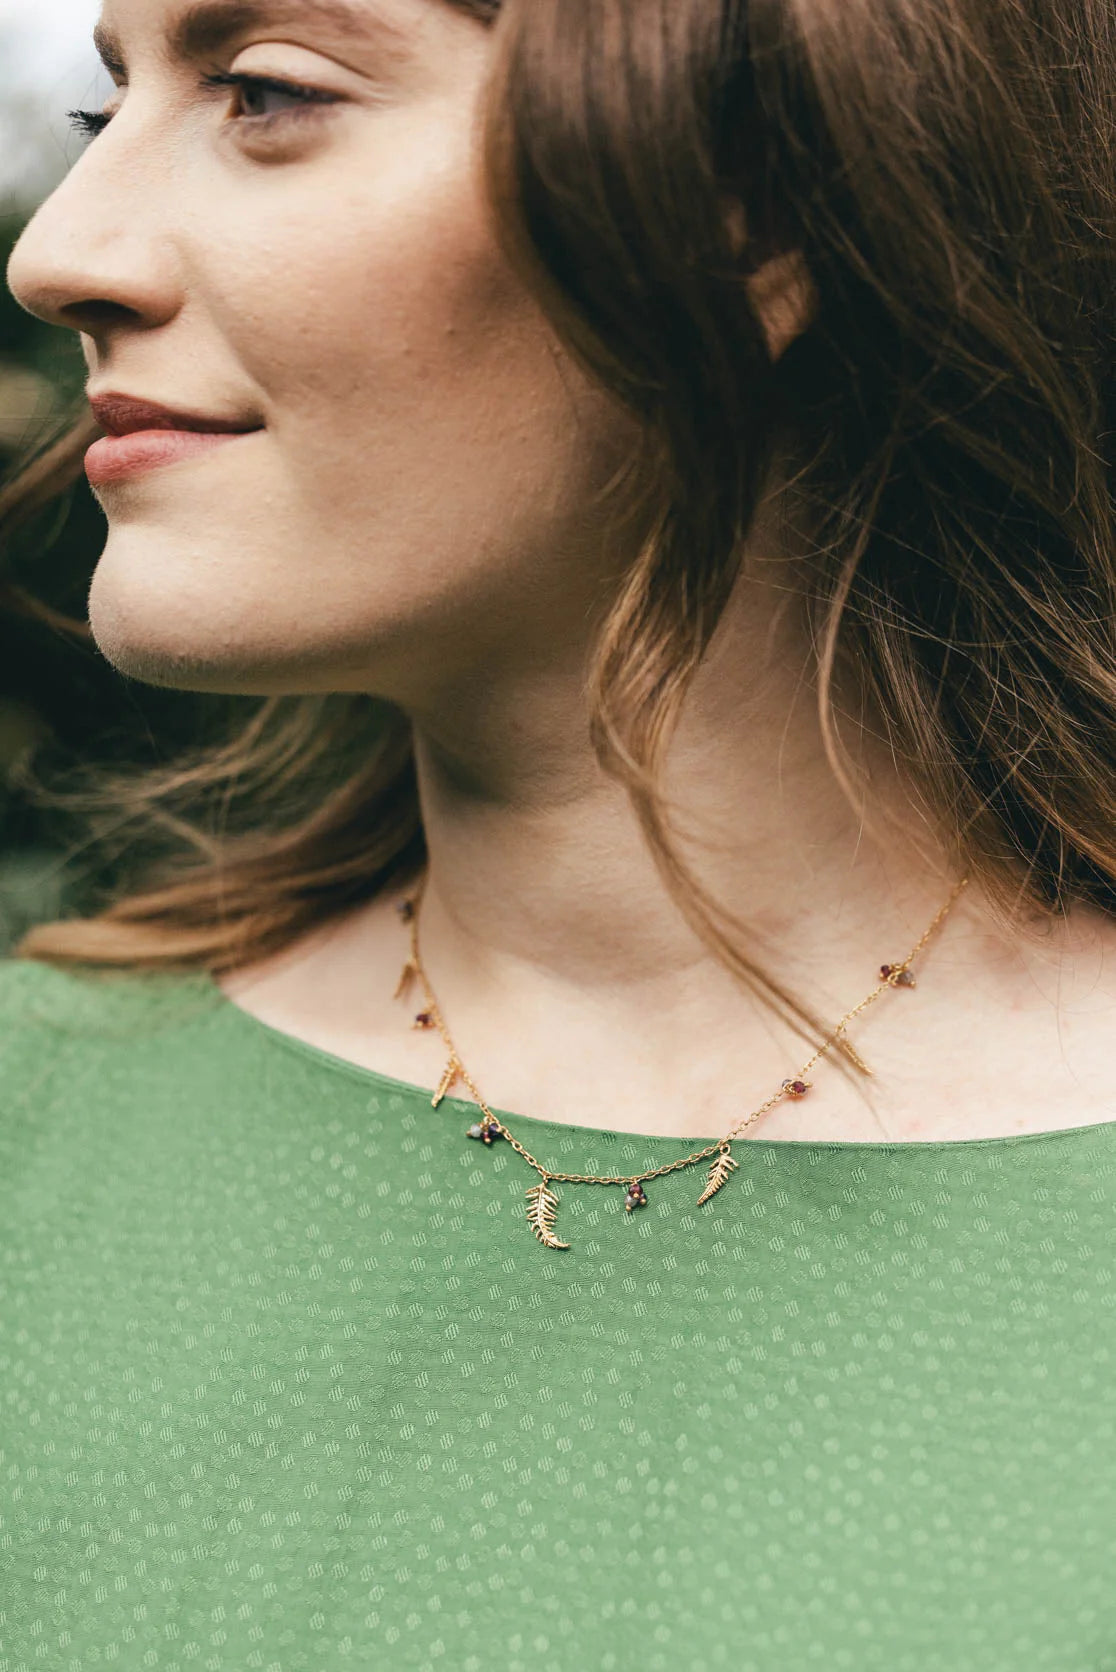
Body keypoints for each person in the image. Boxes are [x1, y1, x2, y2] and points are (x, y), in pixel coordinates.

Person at [2, 0, 1115, 1665]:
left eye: (264, 93)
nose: (60, 253)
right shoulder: (39, 1114)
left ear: (760, 208)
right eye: (104, 111)